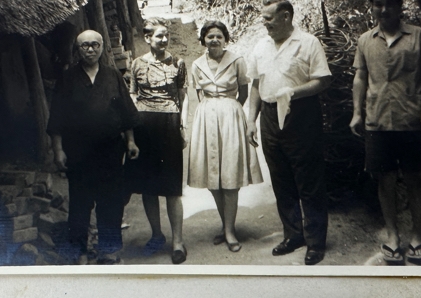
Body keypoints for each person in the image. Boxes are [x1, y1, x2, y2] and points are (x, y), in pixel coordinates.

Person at [349, 0, 421, 265]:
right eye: (378, 4)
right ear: (372, 7)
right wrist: (357, 113)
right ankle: (392, 237)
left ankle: (418, 236)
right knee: (385, 180)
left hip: (410, 120)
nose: (384, 10)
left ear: (400, 7)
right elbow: (360, 77)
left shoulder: (418, 36)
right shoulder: (365, 40)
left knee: (413, 178)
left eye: (389, 4)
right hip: (377, 121)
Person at [246, 1, 332, 265]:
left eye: (269, 18)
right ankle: (294, 234)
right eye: (263, 18)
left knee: (309, 179)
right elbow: (255, 85)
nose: (265, 23)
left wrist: (294, 92)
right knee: (281, 178)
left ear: (286, 16)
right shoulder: (261, 47)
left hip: (301, 113)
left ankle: (316, 242)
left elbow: (323, 80)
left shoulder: (308, 43)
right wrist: (251, 120)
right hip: (270, 116)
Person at [47, 30, 139, 264]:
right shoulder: (68, 79)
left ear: (101, 47)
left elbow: (126, 112)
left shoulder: (112, 76)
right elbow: (56, 116)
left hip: (109, 151)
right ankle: (79, 251)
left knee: (110, 202)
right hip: (78, 152)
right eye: (85, 46)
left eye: (95, 45)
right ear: (78, 50)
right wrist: (58, 149)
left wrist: (130, 141)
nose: (90, 49)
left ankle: (109, 250)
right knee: (80, 202)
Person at [187, 20, 263, 253]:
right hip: (206, 116)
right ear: (203, 40)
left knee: (229, 175)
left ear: (225, 39)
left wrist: (231, 110)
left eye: (219, 36)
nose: (214, 40)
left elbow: (243, 91)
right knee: (212, 176)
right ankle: (226, 225)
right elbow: (195, 95)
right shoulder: (197, 64)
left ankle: (229, 231)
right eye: (210, 36)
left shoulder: (237, 61)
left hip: (231, 115)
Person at [125, 18, 189, 264]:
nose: (164, 40)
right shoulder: (137, 64)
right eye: (159, 36)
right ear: (147, 38)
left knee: (172, 187)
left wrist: (182, 126)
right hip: (144, 126)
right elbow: (133, 93)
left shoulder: (178, 64)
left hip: (169, 124)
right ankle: (156, 235)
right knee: (149, 186)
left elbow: (183, 97)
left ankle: (178, 241)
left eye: (166, 36)